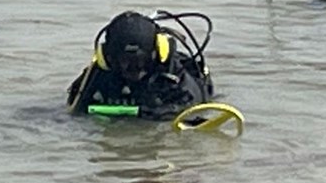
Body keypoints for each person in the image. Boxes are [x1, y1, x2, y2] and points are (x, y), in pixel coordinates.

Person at [67, 10, 215, 120]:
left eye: (141, 62)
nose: (135, 70)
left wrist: (158, 113)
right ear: (109, 58)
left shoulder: (172, 72)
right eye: (126, 63)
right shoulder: (102, 69)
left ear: (156, 54)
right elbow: (74, 108)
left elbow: (195, 105)